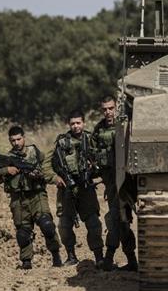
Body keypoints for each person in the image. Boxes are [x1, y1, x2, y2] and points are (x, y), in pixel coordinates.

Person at [0, 125, 63, 270]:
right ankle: (26, 261)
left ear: (24, 138)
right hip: (19, 200)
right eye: (13, 140)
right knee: (23, 232)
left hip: (37, 195)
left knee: (47, 225)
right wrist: (6, 170)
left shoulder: (35, 153)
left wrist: (40, 175)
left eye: (19, 139)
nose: (16, 143)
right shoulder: (8, 158)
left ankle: (56, 255)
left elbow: (47, 168)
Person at [49, 109, 105, 268]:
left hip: (86, 189)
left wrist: (93, 167)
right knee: (64, 225)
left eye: (78, 123)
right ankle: (71, 256)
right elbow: (51, 165)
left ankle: (99, 257)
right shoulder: (61, 143)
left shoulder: (91, 139)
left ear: (84, 123)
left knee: (94, 223)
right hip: (68, 189)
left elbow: (101, 160)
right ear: (68, 124)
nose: (75, 126)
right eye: (72, 123)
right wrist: (57, 178)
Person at [92, 96, 138, 271]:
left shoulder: (126, 125)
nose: (108, 112)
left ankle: (109, 257)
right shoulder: (99, 130)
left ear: (116, 107)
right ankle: (131, 260)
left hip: (127, 182)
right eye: (104, 109)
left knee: (117, 218)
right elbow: (93, 153)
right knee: (120, 220)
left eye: (110, 108)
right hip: (110, 183)